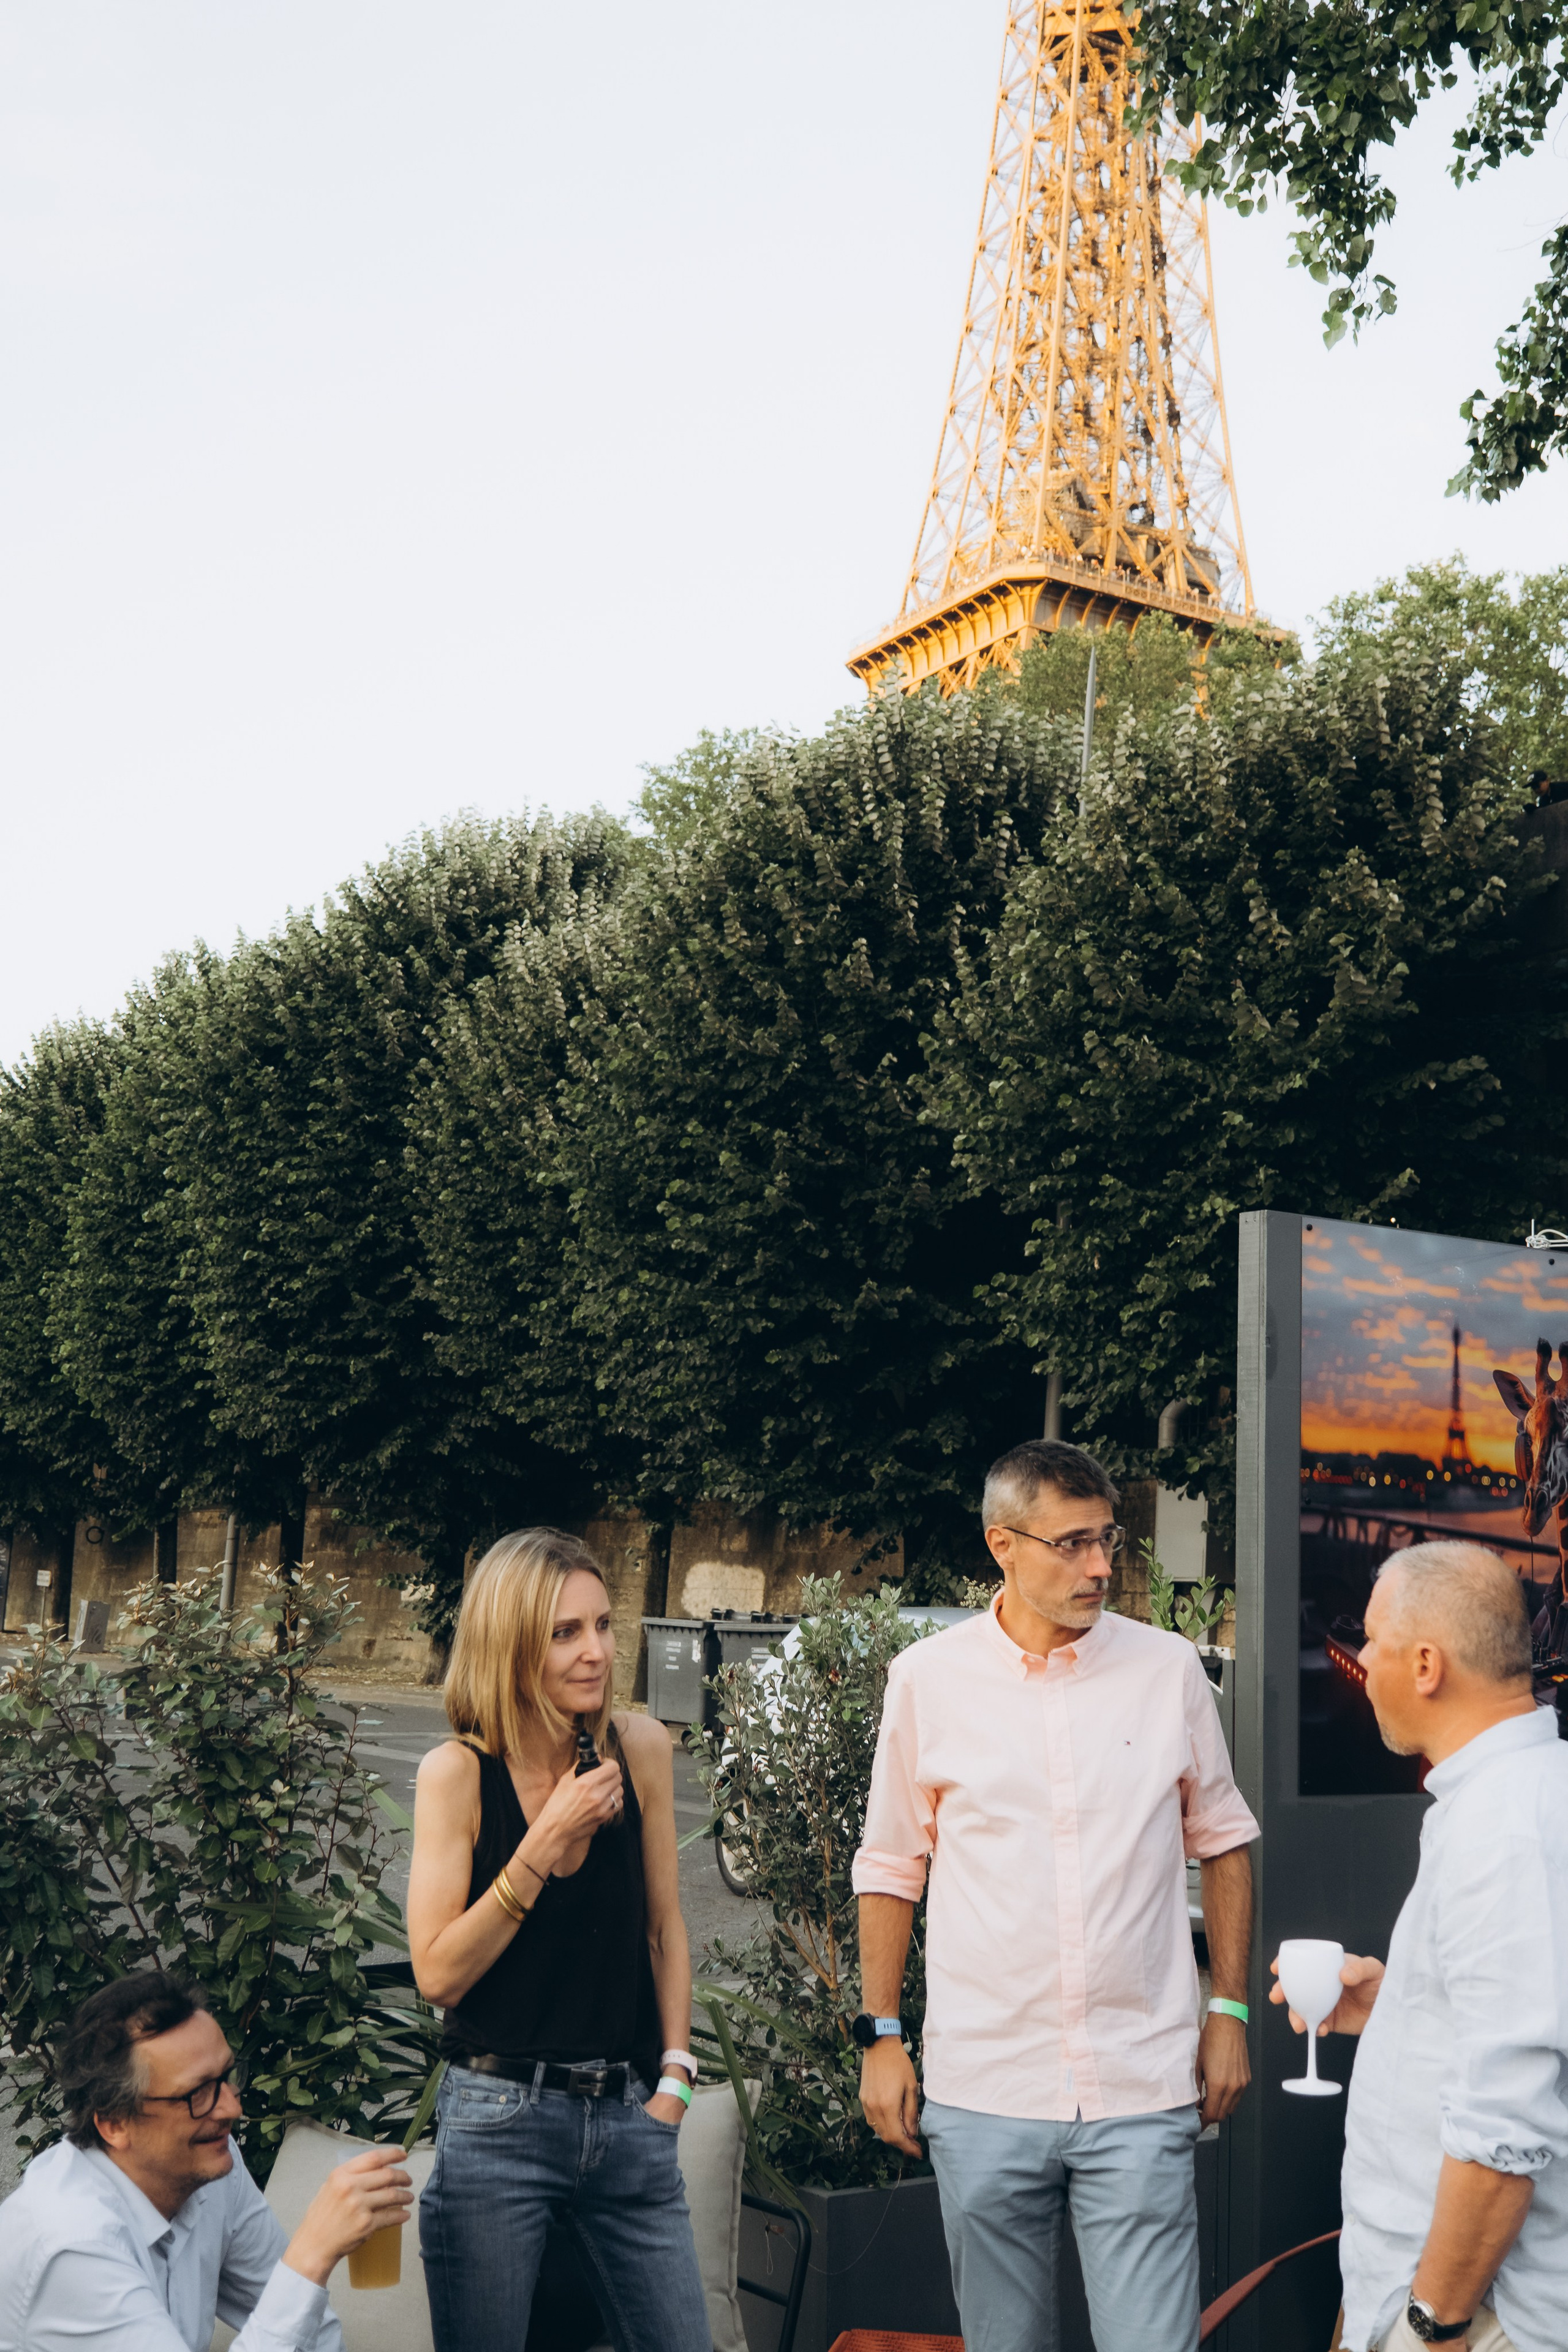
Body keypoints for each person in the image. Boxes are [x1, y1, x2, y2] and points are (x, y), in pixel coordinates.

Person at [853, 1439, 1260, 2352]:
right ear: (1002, 1545)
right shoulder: (928, 1680)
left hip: (1140, 2083)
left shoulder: (1167, 1671)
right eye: (1072, 1543)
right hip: (985, 2086)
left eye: (1107, 1538)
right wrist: (880, 2036)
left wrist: (1228, 2008)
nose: (1101, 1566)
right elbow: (890, 1866)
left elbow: (1224, 1839)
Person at [407, 1526, 708, 2352]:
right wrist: (545, 1840)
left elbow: (662, 1929)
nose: (596, 1652)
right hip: (497, 2122)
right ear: (510, 1647)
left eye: (603, 1625)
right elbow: (439, 1974)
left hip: (630, 2117)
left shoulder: (639, 1748)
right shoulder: (458, 1774)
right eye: (564, 1633)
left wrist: (676, 2079)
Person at [1270, 1541, 1568, 2352]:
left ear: (1427, 1665)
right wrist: (1397, 2006)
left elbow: (1503, 2135)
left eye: (1371, 1640)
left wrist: (1430, 2324)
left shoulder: (1501, 1828)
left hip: (1475, 2314)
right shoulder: (1526, 1793)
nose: (1359, 1660)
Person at [0, 1971, 410, 2351]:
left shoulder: (208, 2166)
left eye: (226, 2078)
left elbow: (315, 2337)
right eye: (196, 2093)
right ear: (114, 2124)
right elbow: (294, 2301)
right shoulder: (74, 2247)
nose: (231, 2108)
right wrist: (310, 2256)